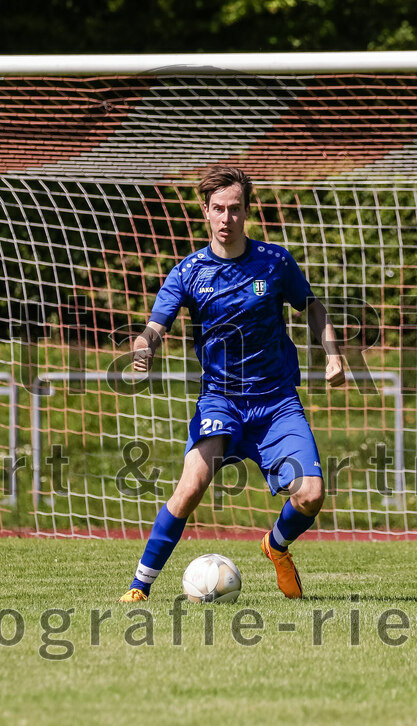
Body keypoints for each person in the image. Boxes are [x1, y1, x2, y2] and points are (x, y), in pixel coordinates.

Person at [118, 166, 345, 603]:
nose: (227, 218)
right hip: (220, 401)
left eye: (235, 209)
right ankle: (139, 586)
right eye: (218, 209)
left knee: (311, 495)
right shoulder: (188, 273)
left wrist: (332, 353)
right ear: (205, 212)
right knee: (190, 488)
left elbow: (312, 306)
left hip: (277, 402)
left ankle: (275, 546)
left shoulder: (275, 262)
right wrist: (144, 348)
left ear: (247, 211)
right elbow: (154, 325)